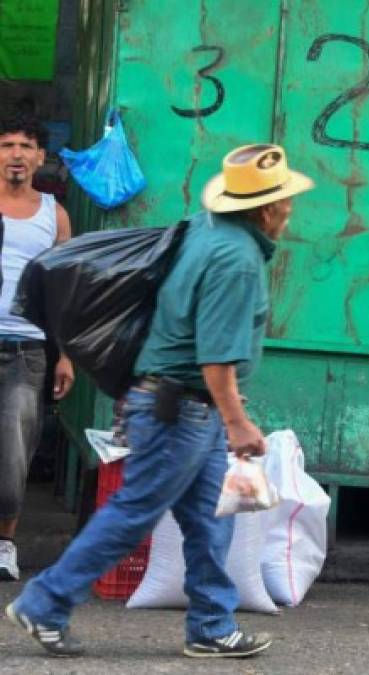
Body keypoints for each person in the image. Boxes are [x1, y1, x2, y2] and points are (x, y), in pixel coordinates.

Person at [6, 143, 314, 659]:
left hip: (183, 406)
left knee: (210, 518)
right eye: (285, 201)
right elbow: (215, 355)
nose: (289, 210)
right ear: (266, 209)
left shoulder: (204, 228)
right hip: (183, 410)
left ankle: (212, 625)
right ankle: (45, 602)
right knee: (132, 514)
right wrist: (238, 422)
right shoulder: (236, 259)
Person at [0, 112, 75, 582]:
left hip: (27, 350)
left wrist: (65, 353)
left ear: (40, 157)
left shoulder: (55, 214)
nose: (16, 154)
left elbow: (64, 290)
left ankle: (4, 543)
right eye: (7, 145)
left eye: (26, 146)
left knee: (13, 453)